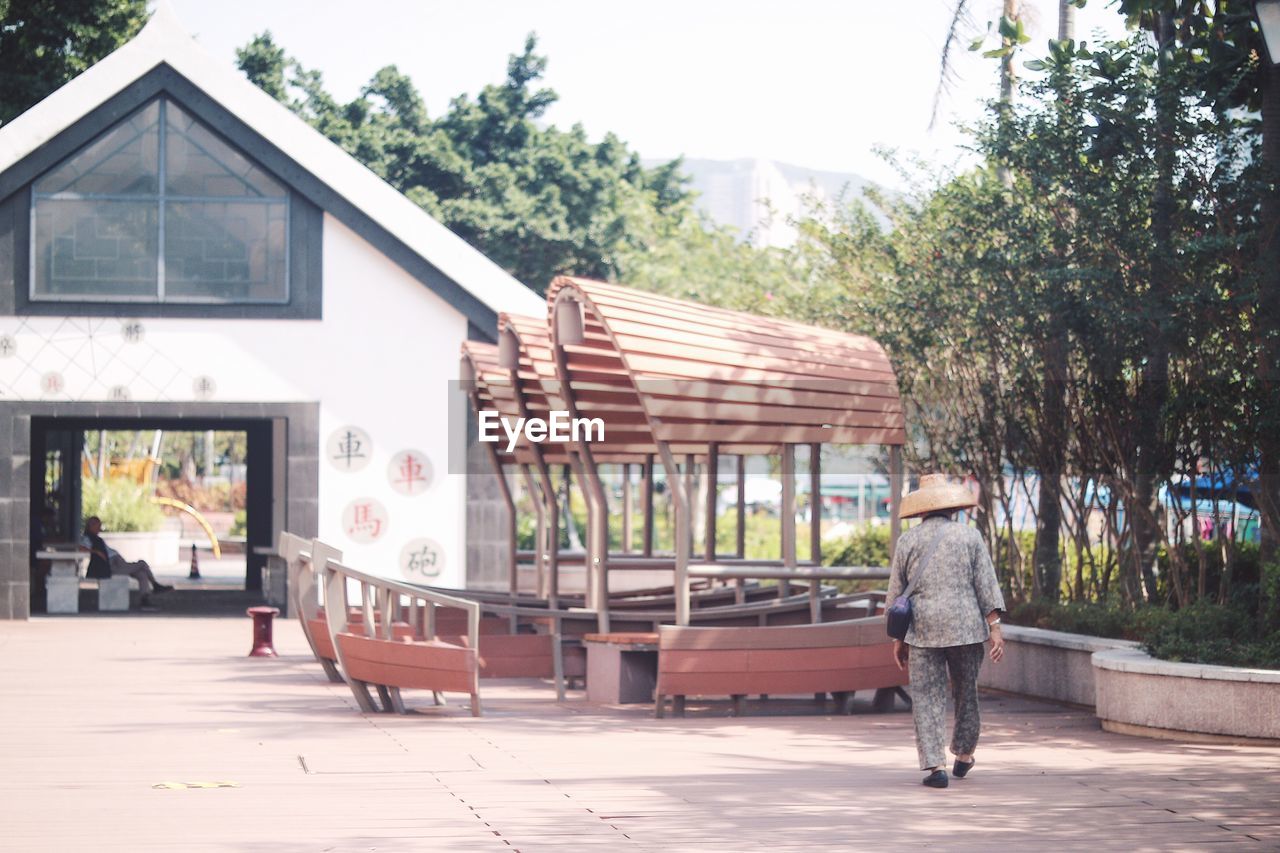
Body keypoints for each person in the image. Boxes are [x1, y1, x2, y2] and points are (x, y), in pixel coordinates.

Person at [885, 474, 1006, 789]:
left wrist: (898, 639)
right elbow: (986, 586)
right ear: (952, 508)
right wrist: (995, 628)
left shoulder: (908, 541)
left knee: (926, 696)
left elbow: (897, 594)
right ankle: (964, 754)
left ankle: (935, 765)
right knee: (967, 693)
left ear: (921, 509)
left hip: (923, 631)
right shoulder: (970, 537)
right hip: (965, 629)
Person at [80, 516, 173, 609]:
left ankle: (145, 599)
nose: (99, 528)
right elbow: (81, 548)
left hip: (118, 562)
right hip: (113, 565)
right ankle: (155, 585)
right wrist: (96, 552)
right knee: (142, 564)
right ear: (91, 526)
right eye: (98, 526)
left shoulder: (97, 538)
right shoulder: (88, 538)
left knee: (142, 574)